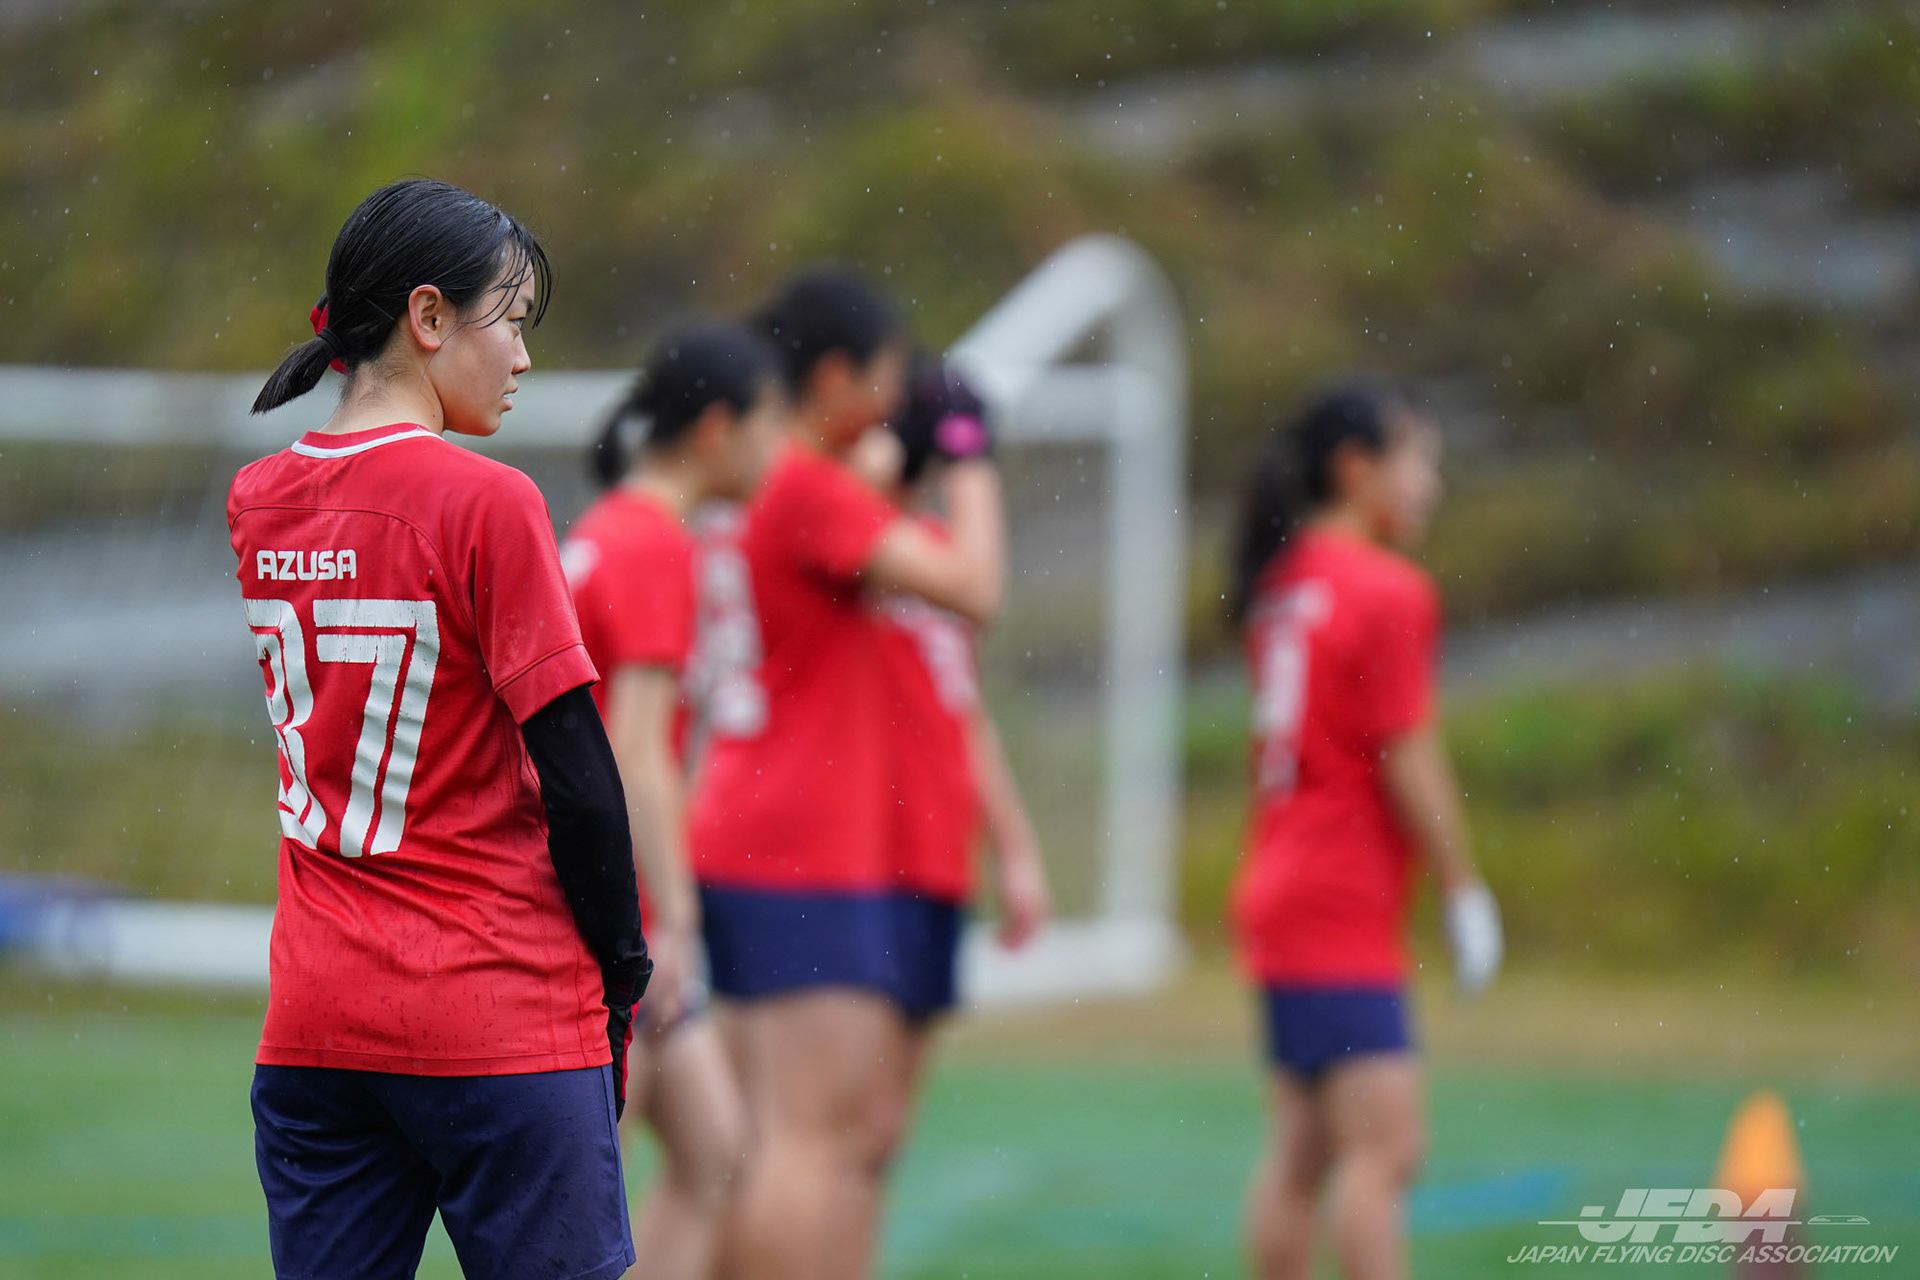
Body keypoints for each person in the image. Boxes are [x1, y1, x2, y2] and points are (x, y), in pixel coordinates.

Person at [229, 178, 649, 1280]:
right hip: (495, 1007)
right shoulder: (487, 500)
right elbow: (580, 780)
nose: (522, 356)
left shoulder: (259, 497)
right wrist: (624, 971)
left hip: (315, 1022)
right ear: (427, 316)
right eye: (508, 319)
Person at [688, 268, 1005, 1280]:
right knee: (805, 1139)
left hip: (764, 830)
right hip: (803, 848)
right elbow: (974, 587)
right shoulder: (805, 483)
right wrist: (971, 457)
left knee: (797, 1140)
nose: (896, 400)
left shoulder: (772, 479)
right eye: (886, 376)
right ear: (832, 377)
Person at [1226, 379, 1503, 1280]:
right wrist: (1463, 887)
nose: (1431, 485)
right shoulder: (1386, 589)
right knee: (1386, 1152)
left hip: (1282, 882)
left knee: (1304, 1152)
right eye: (1417, 461)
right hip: (1336, 898)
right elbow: (1407, 754)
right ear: (1356, 469)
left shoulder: (1283, 581)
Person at [562, 323, 782, 1280]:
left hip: (597, 895)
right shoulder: (652, 542)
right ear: (718, 429)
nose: (777, 452)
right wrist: (672, 925)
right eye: (770, 426)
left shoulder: (611, 527)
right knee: (587, 1200)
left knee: (714, 1148)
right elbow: (635, 751)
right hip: (608, 915)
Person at [876, 353, 1051, 964]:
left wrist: (1015, 850)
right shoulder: (833, 539)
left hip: (935, 849)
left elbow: (963, 713)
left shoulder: (941, 559)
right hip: (852, 854)